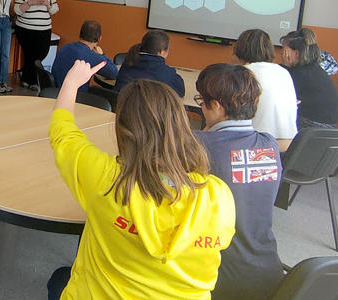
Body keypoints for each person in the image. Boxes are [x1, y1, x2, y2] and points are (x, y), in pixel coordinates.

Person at [46, 61, 236, 300]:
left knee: (58, 281)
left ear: (123, 130)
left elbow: (62, 133)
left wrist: (72, 83)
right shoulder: (218, 195)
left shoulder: (108, 179)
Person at [193, 64, 284, 300]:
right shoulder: (269, 145)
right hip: (269, 274)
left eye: (202, 101)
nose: (201, 107)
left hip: (214, 275)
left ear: (217, 106)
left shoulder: (196, 146)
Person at [231, 29, 297, 148]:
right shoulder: (283, 72)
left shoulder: (245, 73)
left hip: (261, 145)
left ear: (238, 51)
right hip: (290, 145)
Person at [280, 29, 338, 130]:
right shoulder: (314, 69)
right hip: (326, 131)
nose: (282, 53)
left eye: (284, 49)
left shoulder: (298, 73)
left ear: (296, 53)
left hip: (310, 130)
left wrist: (285, 66)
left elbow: (279, 94)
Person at [14, 0, 58, 91]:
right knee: (30, 54)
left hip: (44, 29)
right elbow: (17, 10)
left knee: (41, 53)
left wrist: (48, 4)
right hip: (25, 28)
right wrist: (30, 2)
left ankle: (24, 74)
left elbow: (54, 10)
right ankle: (32, 81)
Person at [50, 20, 118, 92]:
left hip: (55, 92)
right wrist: (102, 55)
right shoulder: (93, 56)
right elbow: (114, 73)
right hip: (77, 97)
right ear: (99, 39)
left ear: (79, 34)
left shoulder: (65, 47)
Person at [114, 29, 184, 96]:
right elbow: (181, 91)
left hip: (121, 106)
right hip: (149, 108)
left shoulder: (128, 63)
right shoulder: (167, 73)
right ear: (162, 51)